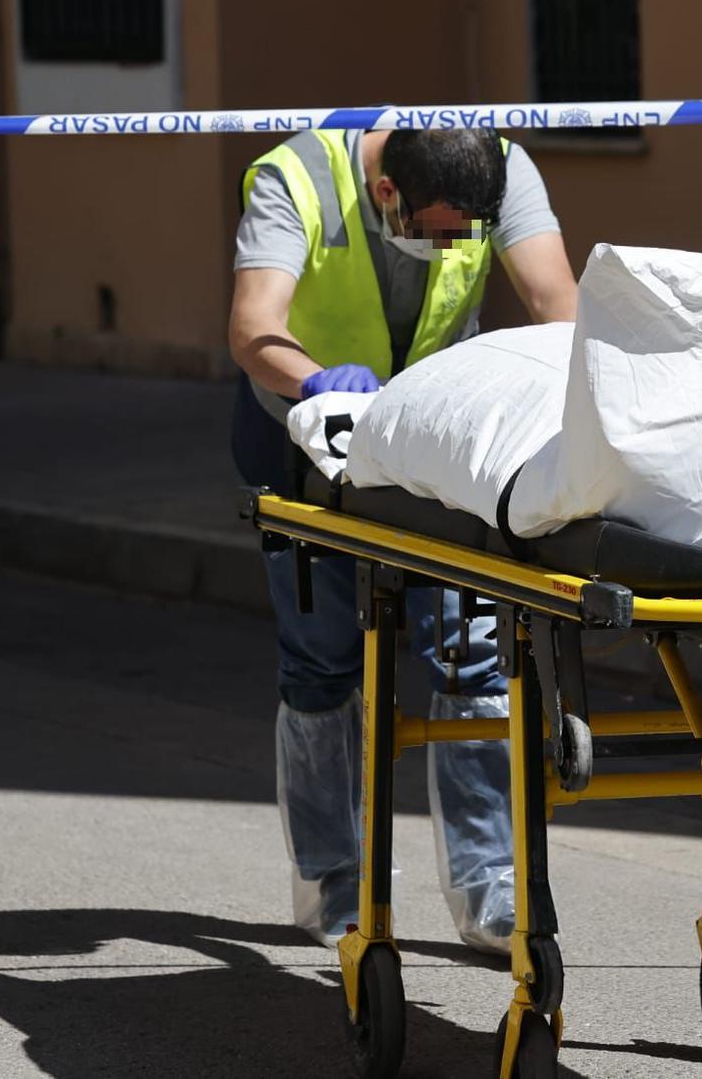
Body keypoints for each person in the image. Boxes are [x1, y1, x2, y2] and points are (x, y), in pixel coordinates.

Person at [227, 125, 578, 954]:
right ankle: (332, 886)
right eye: (443, 230)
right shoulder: (296, 181)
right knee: (321, 664)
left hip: (436, 452)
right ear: (388, 195)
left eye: (470, 231)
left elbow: (555, 300)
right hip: (307, 443)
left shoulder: (494, 166)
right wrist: (313, 379)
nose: (459, 245)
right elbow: (252, 324)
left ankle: (489, 886)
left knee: (477, 656)